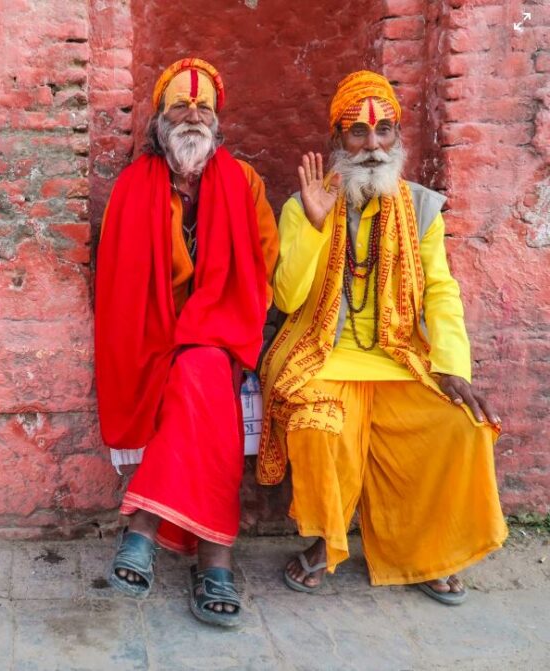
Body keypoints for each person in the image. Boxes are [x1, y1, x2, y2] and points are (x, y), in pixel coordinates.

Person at [258, 71, 506, 605]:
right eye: (358, 134)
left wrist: (452, 365)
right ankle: (328, 543)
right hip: (320, 352)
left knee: (461, 426)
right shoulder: (308, 202)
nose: (372, 147)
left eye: (384, 132)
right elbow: (286, 298)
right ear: (336, 142)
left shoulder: (421, 208)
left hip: (398, 356)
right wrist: (313, 223)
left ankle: (427, 551)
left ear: (398, 138)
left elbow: (441, 291)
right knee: (318, 426)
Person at [95, 58, 278, 627]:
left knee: (200, 366)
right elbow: (117, 279)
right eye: (180, 106)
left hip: (222, 331)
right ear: (160, 119)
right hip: (150, 334)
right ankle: (213, 558)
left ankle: (144, 526)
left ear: (218, 121)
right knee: (197, 382)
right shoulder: (133, 187)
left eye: (203, 108)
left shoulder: (244, 183)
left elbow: (262, 267)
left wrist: (211, 320)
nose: (192, 115)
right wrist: (171, 327)